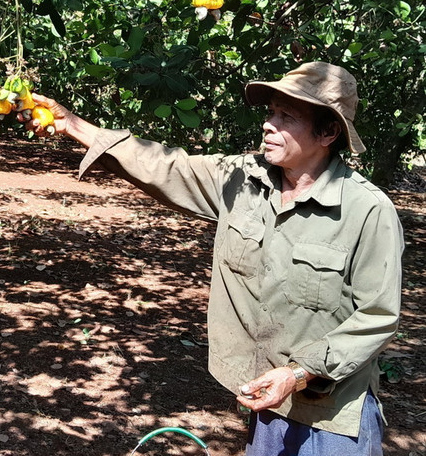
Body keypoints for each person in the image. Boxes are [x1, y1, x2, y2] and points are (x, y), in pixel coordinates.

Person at [29, 62, 404, 455]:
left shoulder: (367, 211)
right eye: (270, 112)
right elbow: (164, 167)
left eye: (287, 116)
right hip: (267, 400)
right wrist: (71, 123)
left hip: (329, 417)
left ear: (328, 132)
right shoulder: (243, 179)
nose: (269, 124)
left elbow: (377, 316)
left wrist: (296, 374)